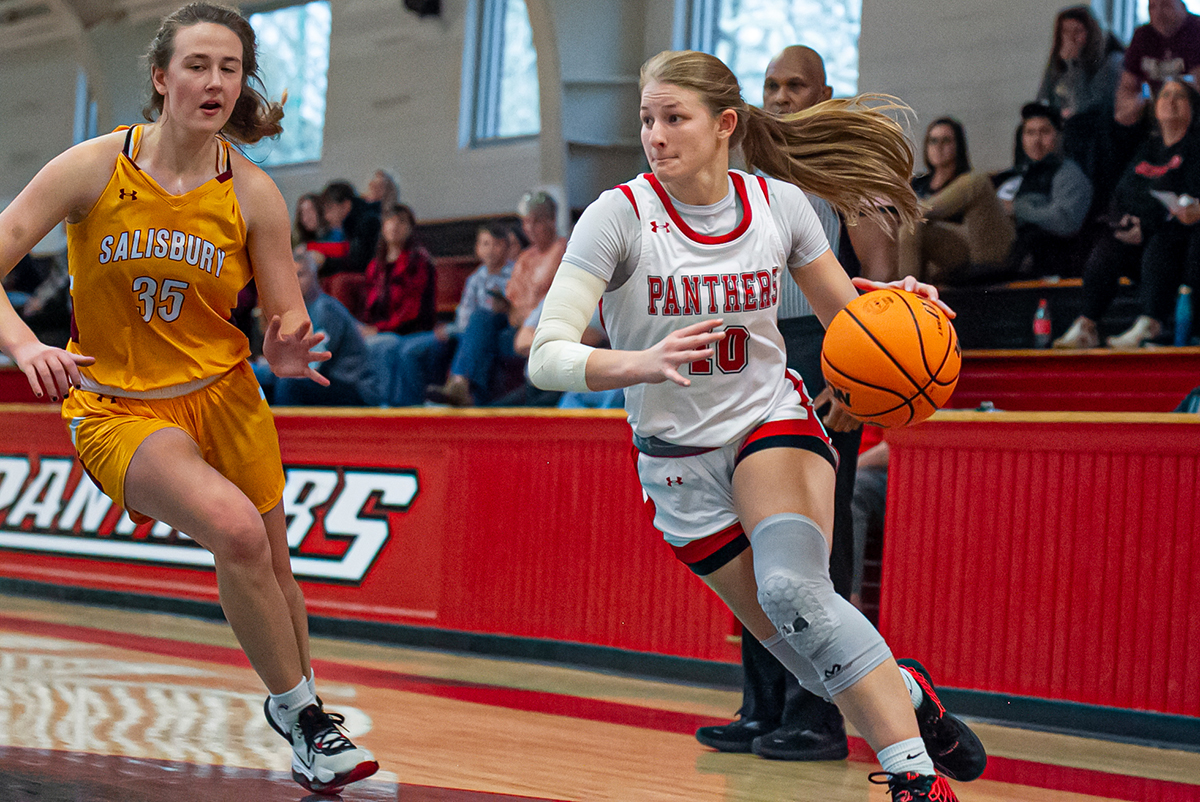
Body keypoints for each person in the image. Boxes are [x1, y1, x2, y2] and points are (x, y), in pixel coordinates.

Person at [528, 49, 986, 801]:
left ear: (725, 126)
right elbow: (548, 357)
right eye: (647, 119)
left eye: (674, 118)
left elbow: (850, 321)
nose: (656, 136)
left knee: (795, 592)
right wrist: (639, 363)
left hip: (768, 423)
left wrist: (897, 308)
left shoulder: (778, 205)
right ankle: (905, 693)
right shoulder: (618, 216)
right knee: (807, 655)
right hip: (674, 462)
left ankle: (916, 782)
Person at [0, 4, 377, 794]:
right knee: (236, 531)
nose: (214, 83)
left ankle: (309, 725)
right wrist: (26, 345)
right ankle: (302, 713)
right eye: (198, 65)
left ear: (243, 84)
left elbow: (285, 317)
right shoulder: (93, 168)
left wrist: (284, 344)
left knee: (273, 567)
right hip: (119, 407)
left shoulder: (256, 193)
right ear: (161, 77)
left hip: (227, 396)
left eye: (230, 68)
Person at [693, 43, 883, 765]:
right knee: (750, 538)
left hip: (825, 355)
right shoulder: (741, 179)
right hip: (756, 357)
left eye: (795, 85)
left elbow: (881, 285)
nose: (781, 96)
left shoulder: (844, 176)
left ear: (825, 93)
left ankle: (822, 715)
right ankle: (764, 706)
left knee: (813, 547)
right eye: (771, 85)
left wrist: (855, 378)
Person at [1056, 76, 1200, 349]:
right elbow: (1123, 193)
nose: (1170, 100)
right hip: (1142, 234)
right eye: (1165, 95)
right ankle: (1087, 324)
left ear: (1193, 108)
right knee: (1107, 248)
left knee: (1162, 244)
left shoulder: (1194, 149)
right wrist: (1124, 222)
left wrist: (1144, 223)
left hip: (1177, 240)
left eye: (1179, 96)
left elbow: (1186, 199)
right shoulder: (1147, 149)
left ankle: (1152, 323)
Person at [425, 191, 567, 406]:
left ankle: (467, 390)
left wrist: (521, 310)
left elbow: (553, 301)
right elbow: (514, 295)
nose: (529, 228)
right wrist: (510, 307)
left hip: (543, 328)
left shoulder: (564, 252)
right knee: (482, 317)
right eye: (526, 222)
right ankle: (461, 385)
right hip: (515, 323)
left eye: (536, 222)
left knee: (485, 330)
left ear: (552, 221)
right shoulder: (526, 257)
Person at [372, 223, 513, 406]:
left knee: (479, 319)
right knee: (409, 350)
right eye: (485, 244)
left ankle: (458, 384)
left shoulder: (515, 274)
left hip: (497, 328)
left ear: (507, 247)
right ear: (477, 249)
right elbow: (463, 315)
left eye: (497, 244)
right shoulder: (474, 279)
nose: (491, 250)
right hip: (465, 330)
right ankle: (410, 409)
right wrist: (452, 330)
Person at [899, 118, 1015, 285]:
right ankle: (905, 299)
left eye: (946, 140)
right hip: (939, 253)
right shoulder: (918, 184)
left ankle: (916, 212)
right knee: (909, 228)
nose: (939, 146)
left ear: (958, 145)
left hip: (974, 248)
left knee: (979, 181)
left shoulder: (969, 182)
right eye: (933, 141)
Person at [255, 249, 376, 406]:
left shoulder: (326, 310)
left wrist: (268, 369)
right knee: (258, 385)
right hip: (325, 382)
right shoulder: (297, 312)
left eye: (300, 275)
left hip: (352, 386)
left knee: (288, 383)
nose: (295, 281)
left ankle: (289, 430)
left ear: (315, 276)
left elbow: (312, 365)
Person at [996, 102, 1093, 278]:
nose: (1036, 140)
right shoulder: (1014, 174)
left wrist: (1017, 209)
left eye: (1044, 132)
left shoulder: (1068, 173)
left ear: (1059, 135)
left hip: (1033, 254)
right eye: (1030, 133)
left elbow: (1066, 221)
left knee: (975, 185)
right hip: (995, 240)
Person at [1037, 6, 1124, 176]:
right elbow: (1043, 96)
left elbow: (1087, 104)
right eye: (1065, 32)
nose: (1071, 38)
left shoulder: (1110, 60)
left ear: (1090, 32)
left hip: (1092, 126)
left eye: (1077, 32)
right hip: (1061, 119)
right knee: (1030, 129)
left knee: (1072, 129)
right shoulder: (1058, 58)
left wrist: (1073, 65)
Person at [1114, 0, 1200, 126]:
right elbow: (1126, 89)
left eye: (1166, 5)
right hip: (1154, 113)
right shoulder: (1142, 36)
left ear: (1182, 6)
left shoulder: (1196, 31)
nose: (1158, 13)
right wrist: (1134, 105)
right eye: (1152, 7)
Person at [359, 202, 437, 337]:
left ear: (410, 228)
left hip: (408, 332)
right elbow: (368, 307)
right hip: (376, 331)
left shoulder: (418, 262)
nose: (394, 226)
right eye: (390, 220)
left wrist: (378, 330)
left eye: (401, 221)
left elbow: (411, 312)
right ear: (383, 227)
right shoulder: (374, 266)